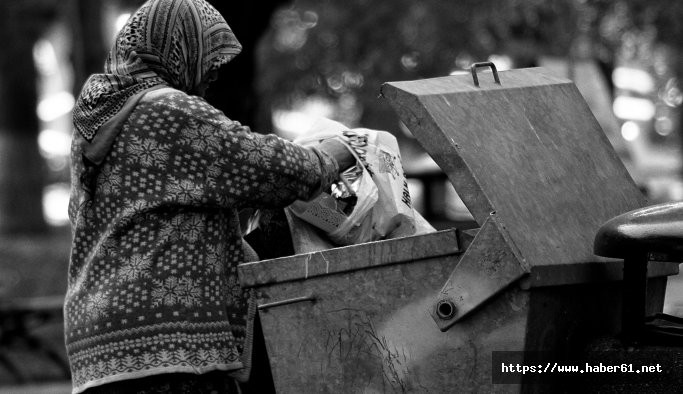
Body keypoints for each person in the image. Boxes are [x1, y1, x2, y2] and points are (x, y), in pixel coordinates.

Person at [65, 0, 354, 392]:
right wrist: (335, 155)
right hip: (168, 338)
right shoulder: (167, 109)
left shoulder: (100, 117)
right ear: (179, 50)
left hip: (101, 342)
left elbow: (160, 199)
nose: (208, 82)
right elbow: (267, 166)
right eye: (207, 66)